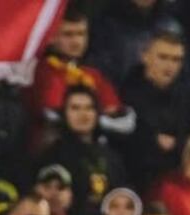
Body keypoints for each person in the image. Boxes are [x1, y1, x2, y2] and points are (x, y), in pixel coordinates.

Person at [27, 5, 135, 148]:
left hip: (94, 148)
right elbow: (55, 115)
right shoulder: (41, 71)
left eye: (81, 34)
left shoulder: (93, 74)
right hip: (54, 148)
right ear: (51, 37)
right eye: (68, 34)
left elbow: (116, 113)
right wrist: (98, 117)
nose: (76, 41)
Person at [118, 30, 190, 191]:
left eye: (176, 60)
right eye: (163, 57)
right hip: (139, 178)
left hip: (181, 175)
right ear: (144, 56)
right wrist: (153, 140)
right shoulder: (127, 94)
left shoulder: (186, 95)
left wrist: (177, 143)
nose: (170, 66)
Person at [38, 87, 128, 215]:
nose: (83, 114)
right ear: (64, 114)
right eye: (75, 108)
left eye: (89, 108)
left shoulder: (112, 156)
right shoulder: (52, 156)